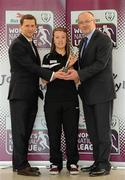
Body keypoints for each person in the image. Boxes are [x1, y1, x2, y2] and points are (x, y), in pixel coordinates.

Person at [8, 14, 64, 176]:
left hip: (30, 94)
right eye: (27, 26)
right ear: (20, 27)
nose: (31, 28)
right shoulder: (18, 44)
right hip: (20, 95)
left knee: (24, 131)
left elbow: (32, 69)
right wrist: (52, 75)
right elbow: (30, 67)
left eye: (33, 26)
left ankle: (20, 163)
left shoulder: (29, 43)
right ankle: (20, 166)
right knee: (20, 131)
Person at [63, 12, 116, 176]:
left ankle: (104, 164)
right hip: (87, 93)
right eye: (81, 23)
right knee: (93, 131)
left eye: (87, 21)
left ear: (94, 22)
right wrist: (70, 66)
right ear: (78, 25)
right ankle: (97, 162)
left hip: (101, 93)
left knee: (102, 129)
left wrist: (78, 74)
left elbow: (100, 64)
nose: (84, 24)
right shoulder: (82, 42)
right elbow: (81, 64)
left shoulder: (103, 39)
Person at [42, 27, 79, 175]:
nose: (60, 40)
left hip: (71, 101)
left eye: (63, 37)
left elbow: (78, 79)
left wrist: (71, 67)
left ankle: (73, 163)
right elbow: (44, 80)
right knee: (53, 133)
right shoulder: (47, 57)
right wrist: (59, 72)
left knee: (71, 133)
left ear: (66, 39)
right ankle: (55, 162)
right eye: (57, 37)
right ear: (53, 39)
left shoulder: (74, 57)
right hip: (52, 102)